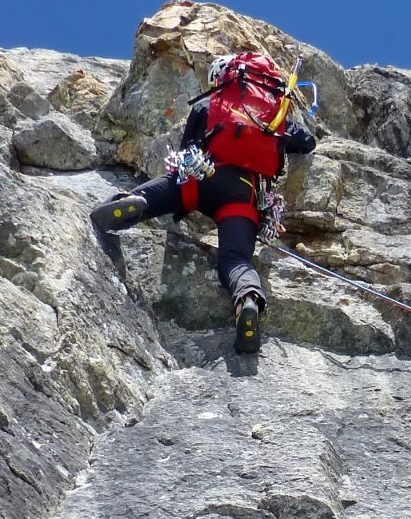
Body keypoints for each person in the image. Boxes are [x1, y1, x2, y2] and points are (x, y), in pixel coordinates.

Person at [90, 52, 318, 354]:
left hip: (202, 176)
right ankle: (247, 299)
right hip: (244, 196)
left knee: (172, 186)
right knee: (235, 260)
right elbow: (307, 142)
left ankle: (134, 202)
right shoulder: (272, 115)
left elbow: (186, 151)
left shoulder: (210, 104)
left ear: (222, 78)